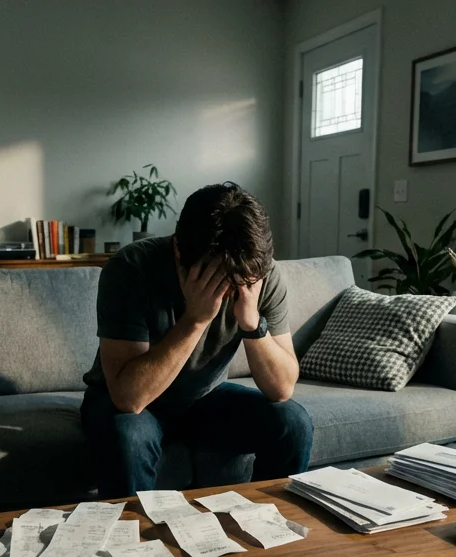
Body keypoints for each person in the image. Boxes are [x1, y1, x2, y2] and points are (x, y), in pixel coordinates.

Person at [81, 182, 313, 498]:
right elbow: (128, 398)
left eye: (239, 281)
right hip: (126, 401)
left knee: (293, 423)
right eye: (216, 279)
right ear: (179, 250)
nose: (229, 290)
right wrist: (195, 320)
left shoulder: (260, 272)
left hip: (204, 398)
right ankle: (131, 529)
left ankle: (267, 522)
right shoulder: (131, 268)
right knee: (128, 436)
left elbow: (282, 388)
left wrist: (252, 323)